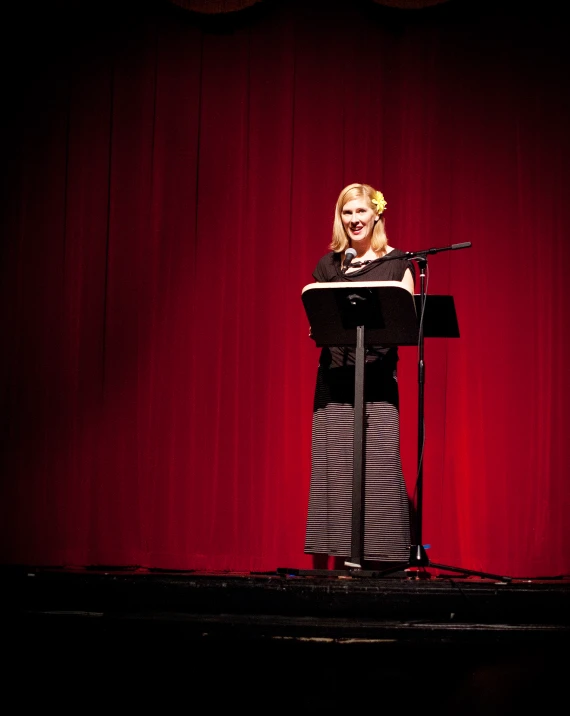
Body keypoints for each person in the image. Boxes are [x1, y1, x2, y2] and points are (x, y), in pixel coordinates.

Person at [304, 182, 415, 571]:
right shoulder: (328, 266)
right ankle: (334, 557)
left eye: (361, 212)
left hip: (378, 383)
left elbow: (403, 325)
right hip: (334, 381)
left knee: (378, 466)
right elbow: (319, 318)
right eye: (347, 213)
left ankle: (382, 561)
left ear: (376, 215)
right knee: (335, 469)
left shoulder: (399, 264)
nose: (354, 220)